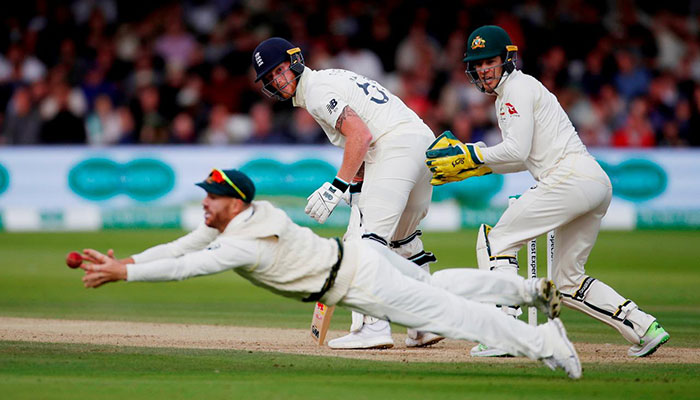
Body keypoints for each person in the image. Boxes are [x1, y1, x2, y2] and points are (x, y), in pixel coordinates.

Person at [78, 167, 581, 379]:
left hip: (360, 279)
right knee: (436, 288)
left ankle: (549, 343)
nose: (204, 205)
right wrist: (126, 263)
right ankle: (524, 291)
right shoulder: (254, 215)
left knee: (454, 317)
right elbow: (183, 245)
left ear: (235, 203)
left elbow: (190, 266)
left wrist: (125, 277)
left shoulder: (245, 242)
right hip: (360, 257)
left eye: (212, 198)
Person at [425, 25, 670, 358]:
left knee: (496, 241)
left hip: (567, 178)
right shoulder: (517, 90)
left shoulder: (516, 89)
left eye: (490, 61)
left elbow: (516, 151)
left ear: (506, 59)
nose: (484, 70)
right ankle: (643, 327)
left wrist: (472, 154)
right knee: (568, 282)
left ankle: (504, 334)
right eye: (478, 64)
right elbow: (520, 156)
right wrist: (477, 163)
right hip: (592, 181)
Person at [251, 37, 437, 349]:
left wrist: (336, 187)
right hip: (423, 146)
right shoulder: (329, 79)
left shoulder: (316, 91)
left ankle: (372, 327)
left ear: (295, 62)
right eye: (269, 78)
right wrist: (355, 187)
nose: (276, 81)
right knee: (403, 241)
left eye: (279, 71)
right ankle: (426, 324)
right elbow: (366, 142)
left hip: (394, 149)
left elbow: (361, 136)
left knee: (366, 245)